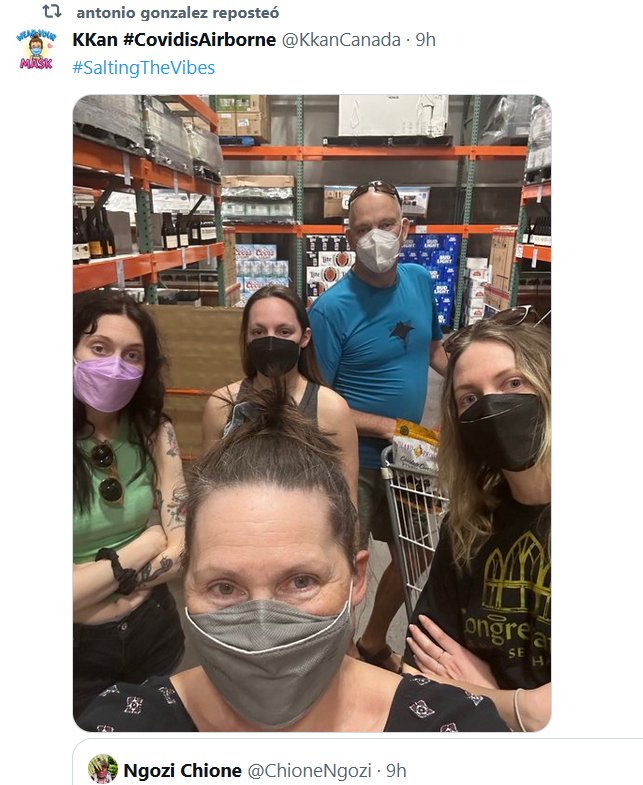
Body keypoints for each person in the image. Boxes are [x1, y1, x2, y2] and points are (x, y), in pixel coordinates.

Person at [78, 391, 508, 733]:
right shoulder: (118, 735)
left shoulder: (455, 733)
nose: (263, 630)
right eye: (224, 587)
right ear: (185, 583)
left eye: (301, 581)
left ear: (358, 578)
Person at [308, 180, 448, 671]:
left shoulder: (420, 281)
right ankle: (339, 661)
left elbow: (434, 348)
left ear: (405, 228)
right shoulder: (330, 310)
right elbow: (317, 401)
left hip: (410, 454)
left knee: (417, 552)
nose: (376, 237)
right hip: (354, 462)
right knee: (346, 565)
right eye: (363, 228)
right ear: (348, 237)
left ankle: (370, 642)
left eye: (386, 224)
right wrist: (387, 426)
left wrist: (475, 382)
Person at [404, 311, 551, 732]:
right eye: (469, 398)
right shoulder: (468, 526)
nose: (490, 405)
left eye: (513, 383)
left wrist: (488, 696)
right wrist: (523, 707)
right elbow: (420, 667)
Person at [73, 291, 186, 719]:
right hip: (76, 654)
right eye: (99, 348)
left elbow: (182, 548)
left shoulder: (154, 430)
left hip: (153, 630)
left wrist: (93, 582)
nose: (115, 365)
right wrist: (147, 543)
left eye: (132, 355)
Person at [201, 284, 358, 505]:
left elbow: (348, 503)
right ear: (246, 338)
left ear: (305, 337)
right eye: (258, 332)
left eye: (284, 332)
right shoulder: (221, 405)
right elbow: (206, 494)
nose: (270, 342)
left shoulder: (332, 409)